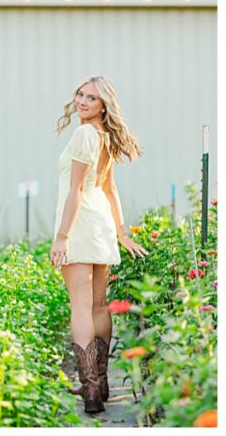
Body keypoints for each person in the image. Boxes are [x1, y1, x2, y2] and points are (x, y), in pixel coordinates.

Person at [49, 76, 147, 414]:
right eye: (79, 94)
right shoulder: (105, 136)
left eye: (91, 97)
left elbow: (76, 191)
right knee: (99, 305)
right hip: (101, 223)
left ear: (103, 104)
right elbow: (109, 190)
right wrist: (120, 231)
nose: (82, 101)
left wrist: (61, 237)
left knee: (81, 305)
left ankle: (90, 388)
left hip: (79, 224)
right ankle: (102, 382)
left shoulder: (83, 134)